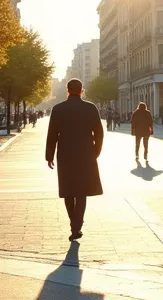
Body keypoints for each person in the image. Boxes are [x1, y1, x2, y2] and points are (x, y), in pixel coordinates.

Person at [46, 79, 104, 241]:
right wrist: (96, 151)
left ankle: (74, 223)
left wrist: (49, 156)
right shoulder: (90, 108)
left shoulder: (58, 109)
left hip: (65, 154)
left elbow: (52, 134)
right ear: (81, 90)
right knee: (81, 192)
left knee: (68, 190)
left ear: (67, 90)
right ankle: (76, 225)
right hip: (86, 154)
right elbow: (99, 132)